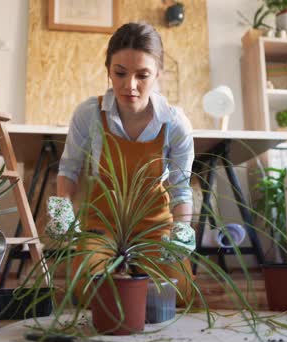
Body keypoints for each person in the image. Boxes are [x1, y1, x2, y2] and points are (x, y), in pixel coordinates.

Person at [47, 22, 195, 303]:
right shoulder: (89, 114)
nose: (130, 86)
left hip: (155, 228)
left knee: (178, 291)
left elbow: (181, 188)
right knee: (88, 289)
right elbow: (69, 168)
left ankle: (138, 277)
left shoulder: (175, 124)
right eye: (120, 73)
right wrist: (62, 207)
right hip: (101, 228)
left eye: (143, 75)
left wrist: (181, 230)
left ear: (158, 75)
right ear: (108, 72)